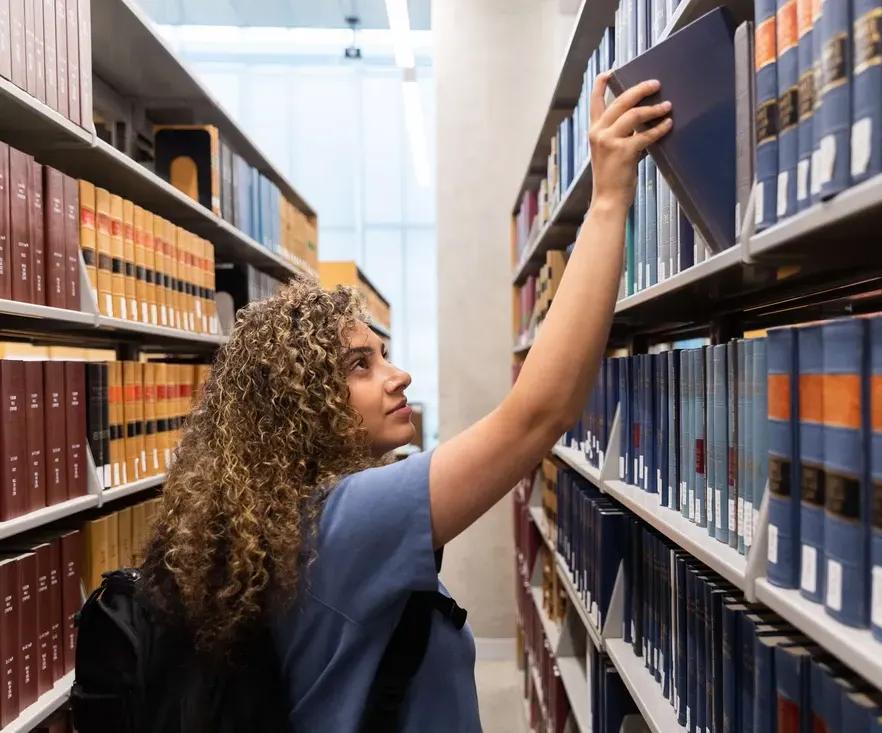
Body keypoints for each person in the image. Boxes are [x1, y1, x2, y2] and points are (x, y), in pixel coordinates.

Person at [139, 73, 672, 732]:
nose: (400, 377)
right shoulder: (342, 525)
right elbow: (539, 414)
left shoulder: (277, 527)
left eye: (382, 355)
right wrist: (610, 197)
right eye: (361, 365)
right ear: (298, 403)